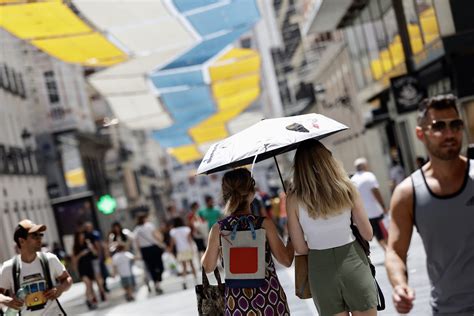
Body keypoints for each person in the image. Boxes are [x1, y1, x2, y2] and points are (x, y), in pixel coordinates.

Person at [386, 94, 474, 314]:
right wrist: (400, 285)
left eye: (455, 125)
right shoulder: (408, 193)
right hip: (449, 310)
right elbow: (395, 252)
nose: (449, 133)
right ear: (420, 133)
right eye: (438, 127)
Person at [287, 140, 377, 315]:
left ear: (299, 167)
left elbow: (300, 248)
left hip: (320, 267)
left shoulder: (293, 199)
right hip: (353, 260)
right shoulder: (348, 188)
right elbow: (368, 233)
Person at [201, 168, 294, 315]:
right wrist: (291, 237)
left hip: (238, 304)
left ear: (225, 195)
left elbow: (207, 267)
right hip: (270, 298)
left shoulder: (218, 229)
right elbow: (287, 260)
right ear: (251, 193)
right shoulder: (264, 224)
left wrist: (217, 248)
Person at [0, 219, 72, 315]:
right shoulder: (9, 267)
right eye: (34, 235)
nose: (39, 238)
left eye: (40, 235)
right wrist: (6, 300)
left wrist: (60, 289)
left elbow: (67, 278)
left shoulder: (50, 259)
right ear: (21, 241)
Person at [351, 157, 389, 250]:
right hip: (376, 211)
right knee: (384, 234)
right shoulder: (369, 175)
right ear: (365, 165)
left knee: (377, 235)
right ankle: (389, 251)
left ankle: (386, 250)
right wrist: (383, 206)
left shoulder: (353, 180)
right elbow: (376, 192)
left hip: (365, 214)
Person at [72, 230, 106, 310]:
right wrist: (81, 254)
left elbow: (95, 254)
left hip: (90, 267)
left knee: (90, 285)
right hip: (82, 268)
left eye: (83, 236)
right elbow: (74, 260)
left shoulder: (87, 244)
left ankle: (92, 301)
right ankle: (88, 300)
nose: (82, 237)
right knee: (87, 284)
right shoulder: (75, 247)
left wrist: (91, 247)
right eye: (81, 236)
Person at [133, 214, 165, 295]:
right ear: (144, 219)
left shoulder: (137, 229)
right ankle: (157, 282)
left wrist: (138, 252)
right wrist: (161, 242)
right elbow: (155, 235)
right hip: (153, 248)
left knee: (151, 267)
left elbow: (137, 243)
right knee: (159, 266)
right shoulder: (149, 226)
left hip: (145, 251)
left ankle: (156, 282)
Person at [169, 217, 197, 289]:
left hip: (180, 250)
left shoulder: (173, 231)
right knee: (191, 264)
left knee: (184, 266)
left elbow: (173, 242)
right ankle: (196, 280)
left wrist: (171, 250)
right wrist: (192, 248)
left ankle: (184, 281)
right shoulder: (186, 229)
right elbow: (190, 240)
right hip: (187, 248)